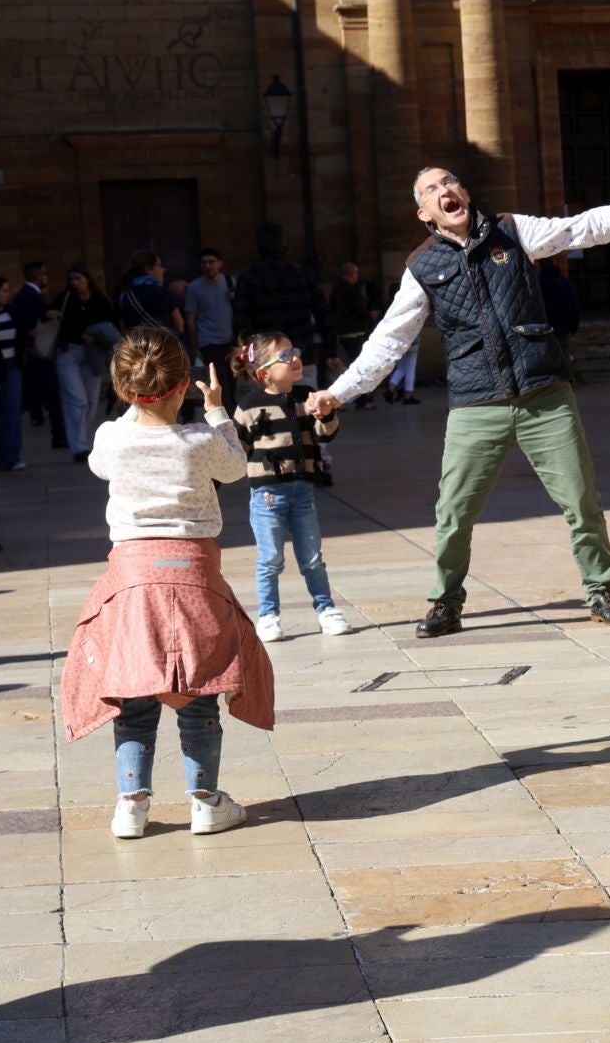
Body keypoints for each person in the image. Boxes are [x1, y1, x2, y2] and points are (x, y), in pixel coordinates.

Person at [304, 163, 610, 637]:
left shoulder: (512, 232)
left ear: (464, 193)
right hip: (475, 404)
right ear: (424, 212)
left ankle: (601, 590)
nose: (445, 190)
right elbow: (388, 341)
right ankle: (446, 602)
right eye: (433, 189)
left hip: (544, 392)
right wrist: (337, 392)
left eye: (450, 182)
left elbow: (583, 228)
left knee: (581, 499)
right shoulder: (421, 268)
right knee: (453, 511)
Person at [59, 327, 268, 839]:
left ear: (125, 388)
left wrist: (137, 402)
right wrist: (217, 409)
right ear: (184, 386)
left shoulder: (112, 437)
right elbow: (237, 468)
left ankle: (131, 805)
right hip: (197, 577)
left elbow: (99, 463)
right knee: (199, 691)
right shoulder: (199, 441)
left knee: (134, 695)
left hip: (132, 583)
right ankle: (206, 802)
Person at [231, 331, 354, 641]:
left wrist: (325, 414)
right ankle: (268, 615)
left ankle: (326, 609)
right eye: (285, 356)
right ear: (264, 373)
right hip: (267, 496)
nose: (295, 358)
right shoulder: (249, 407)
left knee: (312, 557)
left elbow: (325, 435)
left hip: (303, 493)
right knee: (271, 558)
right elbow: (235, 451)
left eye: (294, 350)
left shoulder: (307, 396)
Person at [233, 224, 331, 378]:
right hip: (301, 352)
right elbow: (323, 314)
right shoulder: (302, 274)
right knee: (307, 398)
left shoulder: (248, 277)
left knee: (270, 400)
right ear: (284, 245)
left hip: (267, 359)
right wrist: (330, 350)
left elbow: (242, 322)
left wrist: (248, 356)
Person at [47, 265, 120, 460]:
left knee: (91, 401)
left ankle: (85, 442)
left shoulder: (99, 300)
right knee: (76, 400)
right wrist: (50, 315)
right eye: (72, 279)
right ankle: (78, 446)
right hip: (68, 351)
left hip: (92, 354)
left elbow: (110, 326)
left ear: (87, 279)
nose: (75, 283)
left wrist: (95, 337)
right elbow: (47, 313)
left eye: (79, 278)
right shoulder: (66, 298)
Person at [185, 245, 238, 415]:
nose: (208, 266)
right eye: (204, 263)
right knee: (220, 379)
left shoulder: (230, 282)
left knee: (232, 378)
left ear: (220, 263)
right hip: (208, 340)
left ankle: (233, 412)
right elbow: (190, 318)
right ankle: (227, 414)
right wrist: (195, 344)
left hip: (229, 339)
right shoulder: (194, 287)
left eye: (211, 262)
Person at [0, 275, 27, 471]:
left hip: (13, 368)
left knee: (12, 413)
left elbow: (21, 337)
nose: (8, 294)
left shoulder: (12, 312)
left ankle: (10, 458)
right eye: (4, 290)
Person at [13, 261, 58, 447]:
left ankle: (36, 413)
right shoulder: (33, 296)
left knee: (33, 384)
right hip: (37, 348)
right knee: (42, 385)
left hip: (30, 348)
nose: (46, 277)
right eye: (44, 274)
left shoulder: (24, 295)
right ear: (37, 276)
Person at [328, 261, 377, 409]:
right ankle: (362, 399)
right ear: (350, 274)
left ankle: (342, 398)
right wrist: (370, 318)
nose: (358, 276)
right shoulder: (351, 290)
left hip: (341, 333)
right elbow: (359, 309)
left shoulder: (335, 290)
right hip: (355, 333)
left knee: (343, 367)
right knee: (361, 367)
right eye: (356, 273)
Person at [115, 250, 184, 337]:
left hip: (137, 347)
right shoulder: (161, 291)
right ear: (148, 269)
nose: (164, 269)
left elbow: (123, 328)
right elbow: (180, 324)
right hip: (163, 346)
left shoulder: (125, 296)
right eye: (160, 265)